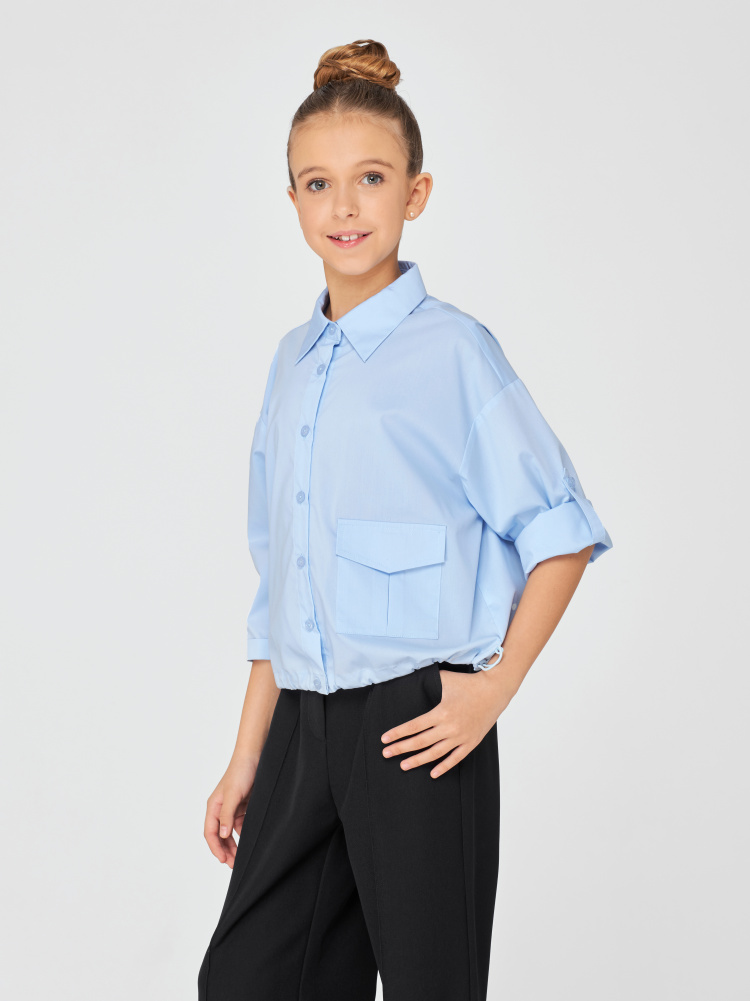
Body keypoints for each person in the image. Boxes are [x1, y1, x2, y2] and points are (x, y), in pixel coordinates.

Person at [198, 37, 613, 1001]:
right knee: (248, 980)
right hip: (301, 724)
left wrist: (491, 690)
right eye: (318, 183)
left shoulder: (456, 352)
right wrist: (246, 756)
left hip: (416, 719)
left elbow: (560, 533)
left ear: (415, 193)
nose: (345, 206)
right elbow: (280, 581)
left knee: (432, 983)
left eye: (372, 178)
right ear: (293, 201)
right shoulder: (290, 364)